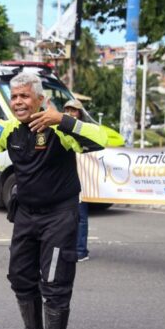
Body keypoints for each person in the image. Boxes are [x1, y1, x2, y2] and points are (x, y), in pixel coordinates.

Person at [0, 72, 107, 329]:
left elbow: (101, 140)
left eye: (24, 96)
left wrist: (63, 120)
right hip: (26, 215)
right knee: (20, 276)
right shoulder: (8, 129)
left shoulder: (58, 128)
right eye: (14, 96)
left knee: (55, 282)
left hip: (59, 215)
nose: (18, 102)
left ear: (40, 100)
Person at [63, 99, 91, 262]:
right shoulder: (60, 128)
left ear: (80, 113)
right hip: (64, 180)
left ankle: (80, 250)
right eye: (67, 110)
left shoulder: (86, 130)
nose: (70, 113)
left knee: (80, 217)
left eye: (74, 110)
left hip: (82, 180)